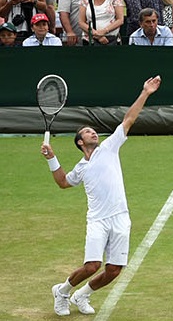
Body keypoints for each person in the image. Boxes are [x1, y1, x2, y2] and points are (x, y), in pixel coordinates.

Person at [41, 76, 162, 317]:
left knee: (114, 270)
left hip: (121, 218)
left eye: (93, 130)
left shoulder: (109, 147)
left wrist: (145, 92)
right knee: (92, 265)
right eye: (87, 132)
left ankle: (82, 295)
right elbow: (64, 182)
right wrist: (51, 158)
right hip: (97, 220)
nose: (93, 133)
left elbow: (129, 119)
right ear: (79, 142)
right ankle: (63, 292)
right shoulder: (81, 168)